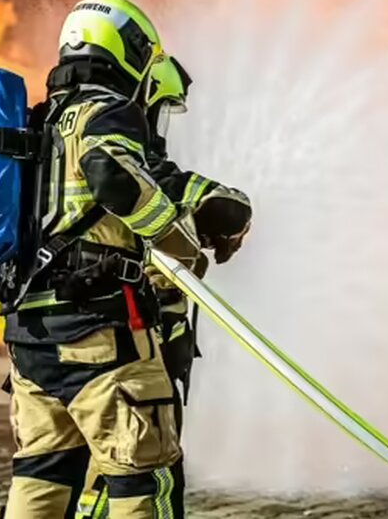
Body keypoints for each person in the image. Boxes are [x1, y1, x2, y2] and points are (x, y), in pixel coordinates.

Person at [2, 0, 210, 519]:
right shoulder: (108, 110)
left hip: (32, 341)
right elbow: (112, 176)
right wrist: (182, 248)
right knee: (143, 479)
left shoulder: (38, 122)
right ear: (132, 50)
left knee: (42, 479)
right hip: (102, 338)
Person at [74, 55, 253, 519]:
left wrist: (225, 207)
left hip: (45, 338)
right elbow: (144, 183)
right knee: (144, 470)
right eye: (160, 107)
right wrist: (186, 246)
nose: (158, 121)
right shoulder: (115, 142)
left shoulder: (53, 139)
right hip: (116, 338)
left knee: (52, 474)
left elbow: (182, 186)